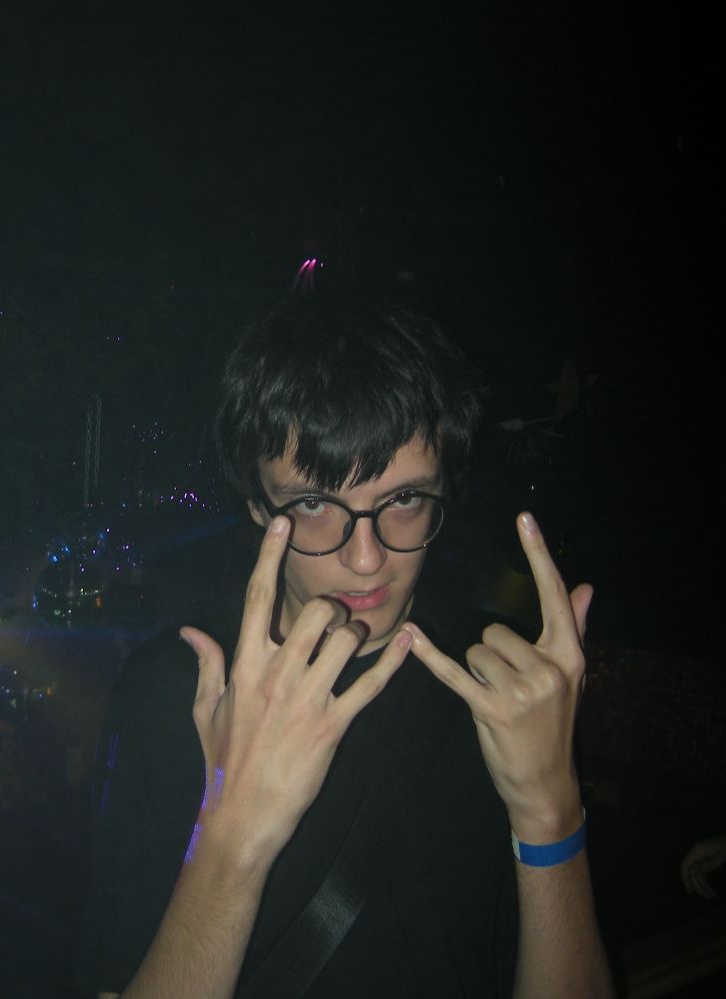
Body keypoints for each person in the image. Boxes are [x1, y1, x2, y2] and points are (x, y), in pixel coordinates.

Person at [79, 293, 614, 997]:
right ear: (255, 502)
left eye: (403, 500)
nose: (366, 559)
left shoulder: (506, 688)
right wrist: (233, 833)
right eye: (312, 504)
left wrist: (551, 808)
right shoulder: (177, 687)